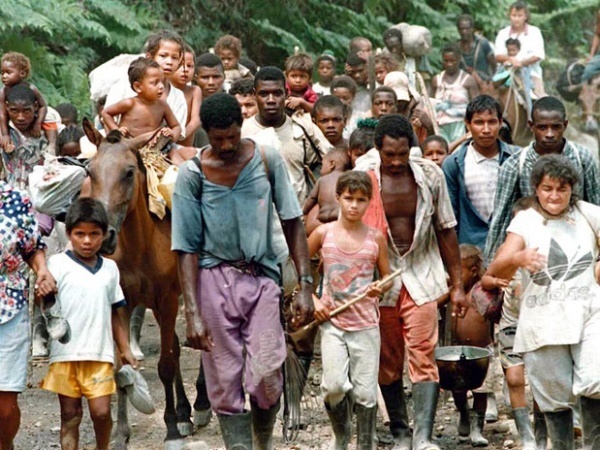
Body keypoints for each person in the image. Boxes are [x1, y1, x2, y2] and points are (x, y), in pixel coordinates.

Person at [172, 93, 314, 449]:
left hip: (262, 276)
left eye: (232, 136)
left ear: (241, 126)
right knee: (223, 377)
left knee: (267, 371)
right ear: (206, 134)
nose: (226, 145)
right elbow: (185, 248)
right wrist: (192, 314)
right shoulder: (192, 175)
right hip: (213, 281)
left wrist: (306, 285)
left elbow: (293, 222)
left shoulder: (266, 159)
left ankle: (262, 442)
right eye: (218, 138)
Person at [360, 114, 467, 450]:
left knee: (423, 352)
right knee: (388, 358)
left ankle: (423, 435)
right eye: (389, 154)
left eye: (402, 154)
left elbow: (446, 229)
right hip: (382, 280)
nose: (396, 162)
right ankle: (400, 432)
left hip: (422, 273)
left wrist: (458, 285)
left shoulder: (430, 175)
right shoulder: (365, 177)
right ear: (378, 149)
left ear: (411, 149)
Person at [487, 154, 600, 450]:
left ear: (572, 189)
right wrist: (519, 257)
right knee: (554, 394)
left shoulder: (588, 214)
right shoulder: (525, 221)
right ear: (536, 188)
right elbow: (496, 269)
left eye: (562, 189)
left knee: (596, 380)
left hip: (590, 312)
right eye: (548, 188)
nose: (555, 196)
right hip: (544, 317)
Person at [40, 198, 137, 450]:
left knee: (102, 413)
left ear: (104, 235)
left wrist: (125, 348)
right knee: (70, 415)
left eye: (94, 234)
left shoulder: (110, 269)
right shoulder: (56, 264)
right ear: (69, 234)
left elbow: (115, 311)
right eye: (80, 234)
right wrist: (44, 291)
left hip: (99, 353)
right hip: (66, 354)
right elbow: (47, 304)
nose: (87, 241)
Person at [308, 171, 392, 449]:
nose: (354, 205)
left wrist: (380, 287)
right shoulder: (323, 234)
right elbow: (298, 269)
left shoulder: (375, 238)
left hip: (366, 325)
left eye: (361, 200)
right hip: (333, 323)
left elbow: (388, 277)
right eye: (348, 198)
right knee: (333, 387)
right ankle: (342, 433)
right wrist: (314, 300)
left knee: (366, 394)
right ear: (338, 198)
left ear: (369, 202)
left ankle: (364, 444)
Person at [484, 96, 600, 262]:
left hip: (579, 250)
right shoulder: (515, 165)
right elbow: (500, 219)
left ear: (565, 125)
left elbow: (595, 205)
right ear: (531, 126)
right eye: (542, 127)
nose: (549, 134)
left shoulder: (582, 158)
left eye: (556, 127)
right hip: (532, 253)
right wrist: (492, 266)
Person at [0, 180, 56, 450]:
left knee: (5, 410)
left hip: (8, 306)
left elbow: (32, 247)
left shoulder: (14, 198)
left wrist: (42, 270)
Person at [481, 196, 538, 450]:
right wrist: (495, 282)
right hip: (511, 321)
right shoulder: (506, 251)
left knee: (540, 380)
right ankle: (526, 435)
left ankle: (542, 431)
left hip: (539, 323)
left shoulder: (544, 250)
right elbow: (486, 278)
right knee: (514, 378)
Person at [241, 66, 332, 205]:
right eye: (264, 94)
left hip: (300, 213)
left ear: (286, 93)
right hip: (257, 213)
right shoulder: (243, 132)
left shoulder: (303, 127)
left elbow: (330, 163)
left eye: (277, 93)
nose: (271, 100)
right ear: (254, 94)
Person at [442, 95, 518, 249]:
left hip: (509, 248)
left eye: (492, 122)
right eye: (479, 123)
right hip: (470, 250)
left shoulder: (517, 159)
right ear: (468, 124)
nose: (486, 130)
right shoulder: (453, 164)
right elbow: (450, 217)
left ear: (500, 123)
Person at [105, 30, 188, 142]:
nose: (169, 62)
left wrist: (170, 136)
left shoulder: (177, 97)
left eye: (175, 57)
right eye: (163, 56)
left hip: (158, 148)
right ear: (149, 57)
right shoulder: (122, 88)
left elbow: (177, 130)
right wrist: (118, 139)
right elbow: (106, 119)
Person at [101, 57, 181, 143]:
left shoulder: (163, 106)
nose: (161, 86)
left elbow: (176, 126)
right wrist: (116, 131)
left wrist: (173, 135)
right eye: (155, 83)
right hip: (128, 145)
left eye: (162, 81)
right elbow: (106, 113)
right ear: (138, 87)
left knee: (179, 150)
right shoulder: (129, 103)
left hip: (153, 147)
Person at [1, 84, 49, 189]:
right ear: (7, 107)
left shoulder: (46, 131)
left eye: (26, 111)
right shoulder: (4, 134)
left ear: (35, 106)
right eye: (14, 110)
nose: (20, 117)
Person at [494, 1, 546, 98]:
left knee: (539, 100)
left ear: (526, 16)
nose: (516, 19)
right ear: (509, 16)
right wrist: (510, 59)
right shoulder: (503, 33)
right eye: (514, 15)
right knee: (490, 95)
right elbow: (498, 55)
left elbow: (538, 55)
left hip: (531, 74)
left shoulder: (534, 32)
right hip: (506, 72)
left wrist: (522, 63)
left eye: (520, 15)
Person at [0, 51, 49, 152]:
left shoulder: (31, 88)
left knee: (50, 120)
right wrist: (5, 135)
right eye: (2, 73)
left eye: (8, 72)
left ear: (22, 73)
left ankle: (52, 146)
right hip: (11, 118)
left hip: (32, 116)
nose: (4, 76)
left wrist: (38, 123)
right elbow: (3, 114)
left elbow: (43, 106)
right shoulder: (3, 92)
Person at [431, 44, 479, 144]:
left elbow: (476, 106)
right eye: (446, 61)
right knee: (443, 149)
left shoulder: (468, 80)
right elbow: (430, 103)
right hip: (440, 125)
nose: (449, 64)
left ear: (459, 59)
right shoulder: (437, 80)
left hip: (460, 124)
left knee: (458, 149)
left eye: (452, 61)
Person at [303, 148, 351, 230]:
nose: (320, 169)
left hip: (323, 218)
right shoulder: (348, 178)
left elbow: (312, 198)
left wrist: (304, 212)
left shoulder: (322, 180)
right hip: (339, 216)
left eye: (322, 165)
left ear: (332, 164)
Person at [384, 71, 434, 144]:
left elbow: (429, 145)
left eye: (402, 100)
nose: (399, 104)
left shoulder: (418, 113)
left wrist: (429, 126)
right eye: (396, 101)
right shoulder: (383, 113)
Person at [170, 44, 202, 146]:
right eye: (180, 65)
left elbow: (196, 120)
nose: (185, 69)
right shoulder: (162, 90)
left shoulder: (194, 91)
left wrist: (182, 134)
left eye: (190, 66)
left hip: (185, 146)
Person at [193, 53, 226, 148]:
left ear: (224, 77)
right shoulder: (187, 105)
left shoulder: (234, 105)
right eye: (205, 77)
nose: (211, 82)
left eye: (216, 77)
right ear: (196, 78)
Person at [456, 14, 496, 92]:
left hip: (483, 84)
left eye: (467, 29)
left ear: (472, 29)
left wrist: (491, 82)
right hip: (463, 86)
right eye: (461, 29)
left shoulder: (483, 43)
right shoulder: (456, 47)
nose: (464, 32)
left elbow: (493, 65)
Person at [345, 51, 371, 118]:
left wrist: (370, 64)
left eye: (361, 70)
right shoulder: (347, 90)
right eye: (353, 72)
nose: (357, 75)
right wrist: (347, 77)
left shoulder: (374, 84)